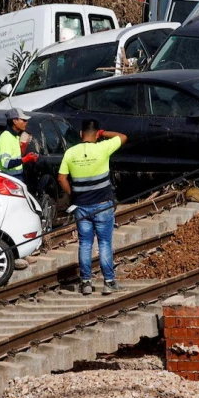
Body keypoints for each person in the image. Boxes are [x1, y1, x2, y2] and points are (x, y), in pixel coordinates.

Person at [57, 120, 128, 295]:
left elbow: (61, 178)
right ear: (96, 134)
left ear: (81, 134)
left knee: (85, 244)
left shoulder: (70, 152)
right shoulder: (103, 148)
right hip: (103, 205)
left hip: (81, 206)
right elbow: (123, 137)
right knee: (104, 243)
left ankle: (86, 282)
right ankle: (109, 282)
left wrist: (73, 195)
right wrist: (104, 133)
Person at [0, 108, 39, 182]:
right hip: (8, 179)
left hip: (15, 177)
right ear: (15, 121)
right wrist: (26, 159)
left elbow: (15, 157)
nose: (26, 122)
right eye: (24, 120)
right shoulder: (6, 138)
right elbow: (6, 164)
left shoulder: (15, 137)